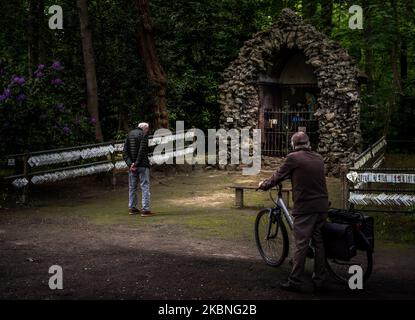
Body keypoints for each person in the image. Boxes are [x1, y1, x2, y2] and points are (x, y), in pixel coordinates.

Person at [258, 132, 329, 293]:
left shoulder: (293, 158)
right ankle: (320, 279)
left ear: (293, 145)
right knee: (318, 242)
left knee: (300, 243)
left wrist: (264, 184)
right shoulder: (318, 157)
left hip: (306, 207)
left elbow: (277, 175)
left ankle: (295, 281)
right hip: (322, 205)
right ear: (308, 143)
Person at [123, 122, 153, 217]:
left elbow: (125, 152)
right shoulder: (144, 135)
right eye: (147, 129)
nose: (147, 131)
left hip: (132, 166)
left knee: (132, 187)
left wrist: (130, 164)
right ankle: (145, 209)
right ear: (145, 128)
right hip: (142, 165)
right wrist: (136, 163)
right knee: (144, 186)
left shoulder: (130, 134)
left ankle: (132, 207)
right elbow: (142, 151)